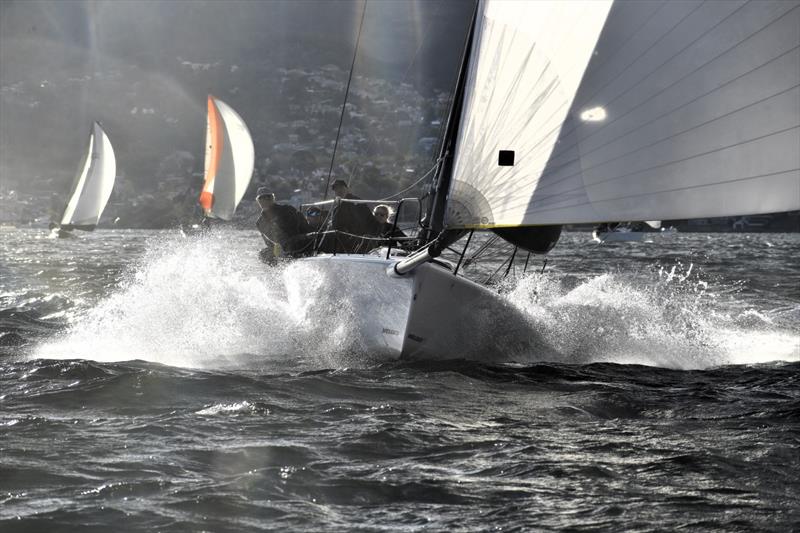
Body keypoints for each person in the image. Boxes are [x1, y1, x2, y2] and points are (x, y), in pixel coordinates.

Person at [255, 188, 312, 259]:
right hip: (282, 248)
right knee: (263, 254)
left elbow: (304, 226)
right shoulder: (259, 222)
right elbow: (269, 242)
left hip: (298, 242)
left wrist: (306, 237)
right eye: (262, 198)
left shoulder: (288, 209)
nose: (266, 199)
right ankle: (281, 268)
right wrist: (277, 251)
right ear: (258, 201)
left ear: (273, 198)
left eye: (268, 197)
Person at [326, 179, 381, 252]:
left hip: (360, 239)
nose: (339, 191)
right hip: (345, 242)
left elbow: (369, 220)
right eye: (336, 189)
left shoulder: (357, 202)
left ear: (347, 189)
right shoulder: (337, 208)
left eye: (341, 188)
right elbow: (336, 225)